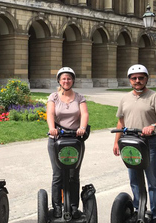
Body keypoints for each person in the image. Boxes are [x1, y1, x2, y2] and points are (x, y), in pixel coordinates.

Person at [113, 64, 156, 223]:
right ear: (130, 80)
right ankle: (139, 211)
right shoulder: (125, 98)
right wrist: (116, 142)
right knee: (135, 180)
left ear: (146, 78)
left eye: (141, 77)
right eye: (134, 78)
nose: (137, 80)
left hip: (148, 142)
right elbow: (120, 122)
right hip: (129, 143)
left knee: (153, 181)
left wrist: (153, 127)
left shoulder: (155, 97)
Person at [47, 67, 89, 218]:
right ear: (59, 80)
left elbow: (84, 113)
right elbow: (50, 114)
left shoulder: (79, 97)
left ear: (73, 81)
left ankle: (73, 206)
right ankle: (57, 206)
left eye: (69, 78)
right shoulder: (53, 97)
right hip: (56, 139)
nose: (66, 81)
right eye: (64, 78)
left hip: (75, 140)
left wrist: (82, 128)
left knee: (73, 175)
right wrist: (52, 128)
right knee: (58, 175)